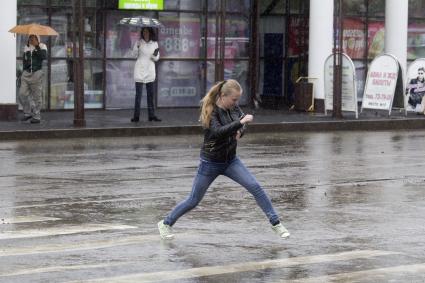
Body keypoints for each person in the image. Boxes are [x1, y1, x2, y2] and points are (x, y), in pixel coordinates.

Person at [157, 79, 290, 240]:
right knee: (193, 200)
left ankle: (276, 224)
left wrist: (241, 130)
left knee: (255, 187)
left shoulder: (233, 107)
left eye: (238, 100)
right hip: (210, 163)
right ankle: (165, 223)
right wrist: (240, 122)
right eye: (234, 99)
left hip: (231, 161)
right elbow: (218, 132)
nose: (236, 103)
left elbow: (240, 123)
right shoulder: (211, 111)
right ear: (223, 96)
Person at [130, 27, 161, 122]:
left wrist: (154, 55)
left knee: (150, 95)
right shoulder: (139, 42)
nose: (145, 33)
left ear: (150, 33)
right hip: (139, 70)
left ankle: (151, 116)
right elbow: (134, 55)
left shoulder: (155, 43)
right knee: (138, 95)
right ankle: (136, 116)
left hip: (150, 71)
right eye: (144, 32)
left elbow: (156, 58)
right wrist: (137, 47)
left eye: (147, 32)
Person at [19, 34, 47, 124]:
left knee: (37, 96)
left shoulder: (42, 46)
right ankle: (27, 113)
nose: (31, 39)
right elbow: (24, 60)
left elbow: (43, 57)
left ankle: (36, 116)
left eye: (33, 38)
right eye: (30, 38)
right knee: (22, 94)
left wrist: (37, 46)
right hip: (26, 73)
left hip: (37, 73)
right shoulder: (26, 47)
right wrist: (22, 72)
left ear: (37, 38)